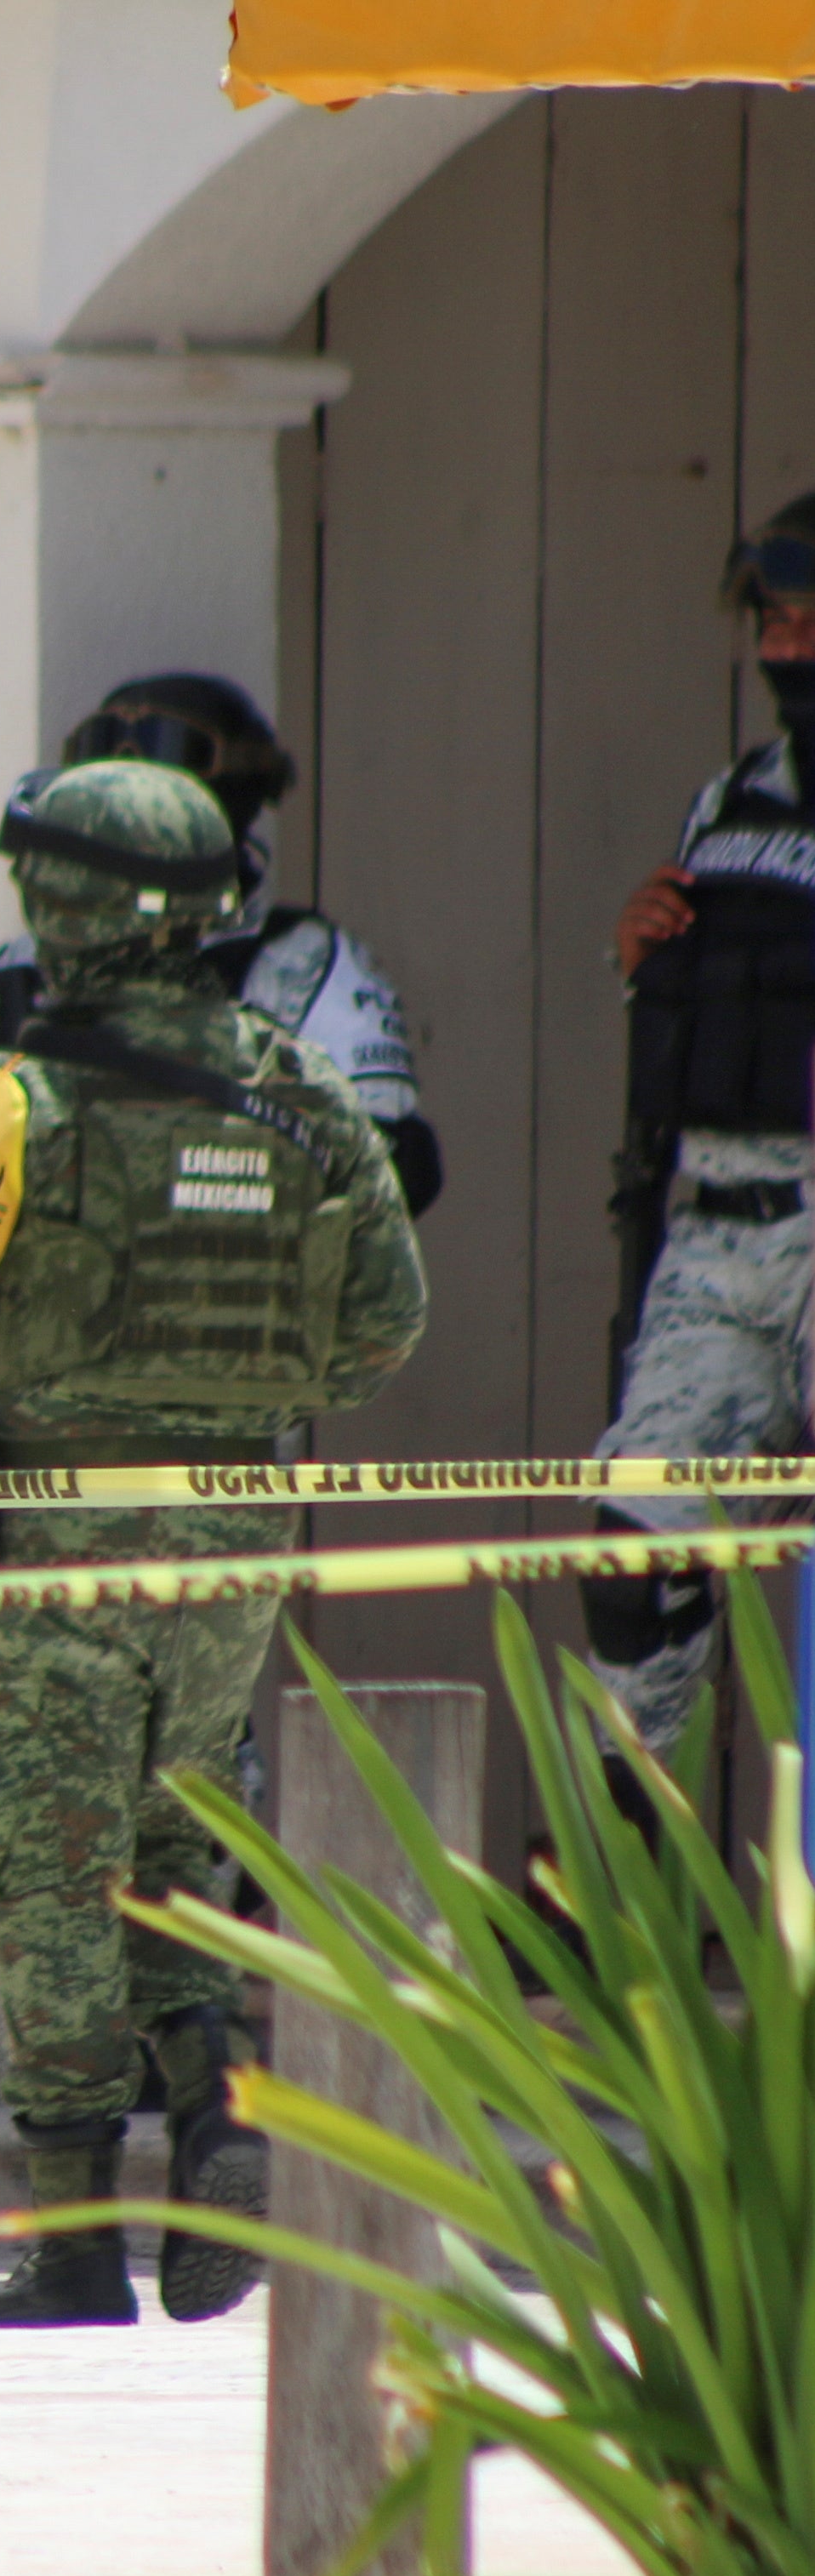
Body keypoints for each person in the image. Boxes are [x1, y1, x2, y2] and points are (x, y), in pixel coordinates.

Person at [0, 760, 427, 2331]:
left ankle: (74, 2240)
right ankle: (217, 2104)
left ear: (60, 903)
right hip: (237, 1530)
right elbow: (386, 1328)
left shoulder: (12, 1097)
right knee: (167, 1841)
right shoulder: (304, 1092)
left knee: (47, 1860)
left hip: (62, 1528)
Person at [0, 675, 438, 1761]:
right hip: (30, 1380)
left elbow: (396, 1169)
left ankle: (210, 1864)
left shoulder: (298, 965)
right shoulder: (22, 975)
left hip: (203, 1375)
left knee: (172, 1726)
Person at [589, 491, 815, 1768]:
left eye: (810, 619)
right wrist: (642, 957)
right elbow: (693, 1006)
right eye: (772, 620)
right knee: (633, 1552)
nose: (786, 647)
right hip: (717, 1242)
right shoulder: (731, 801)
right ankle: (632, 1850)